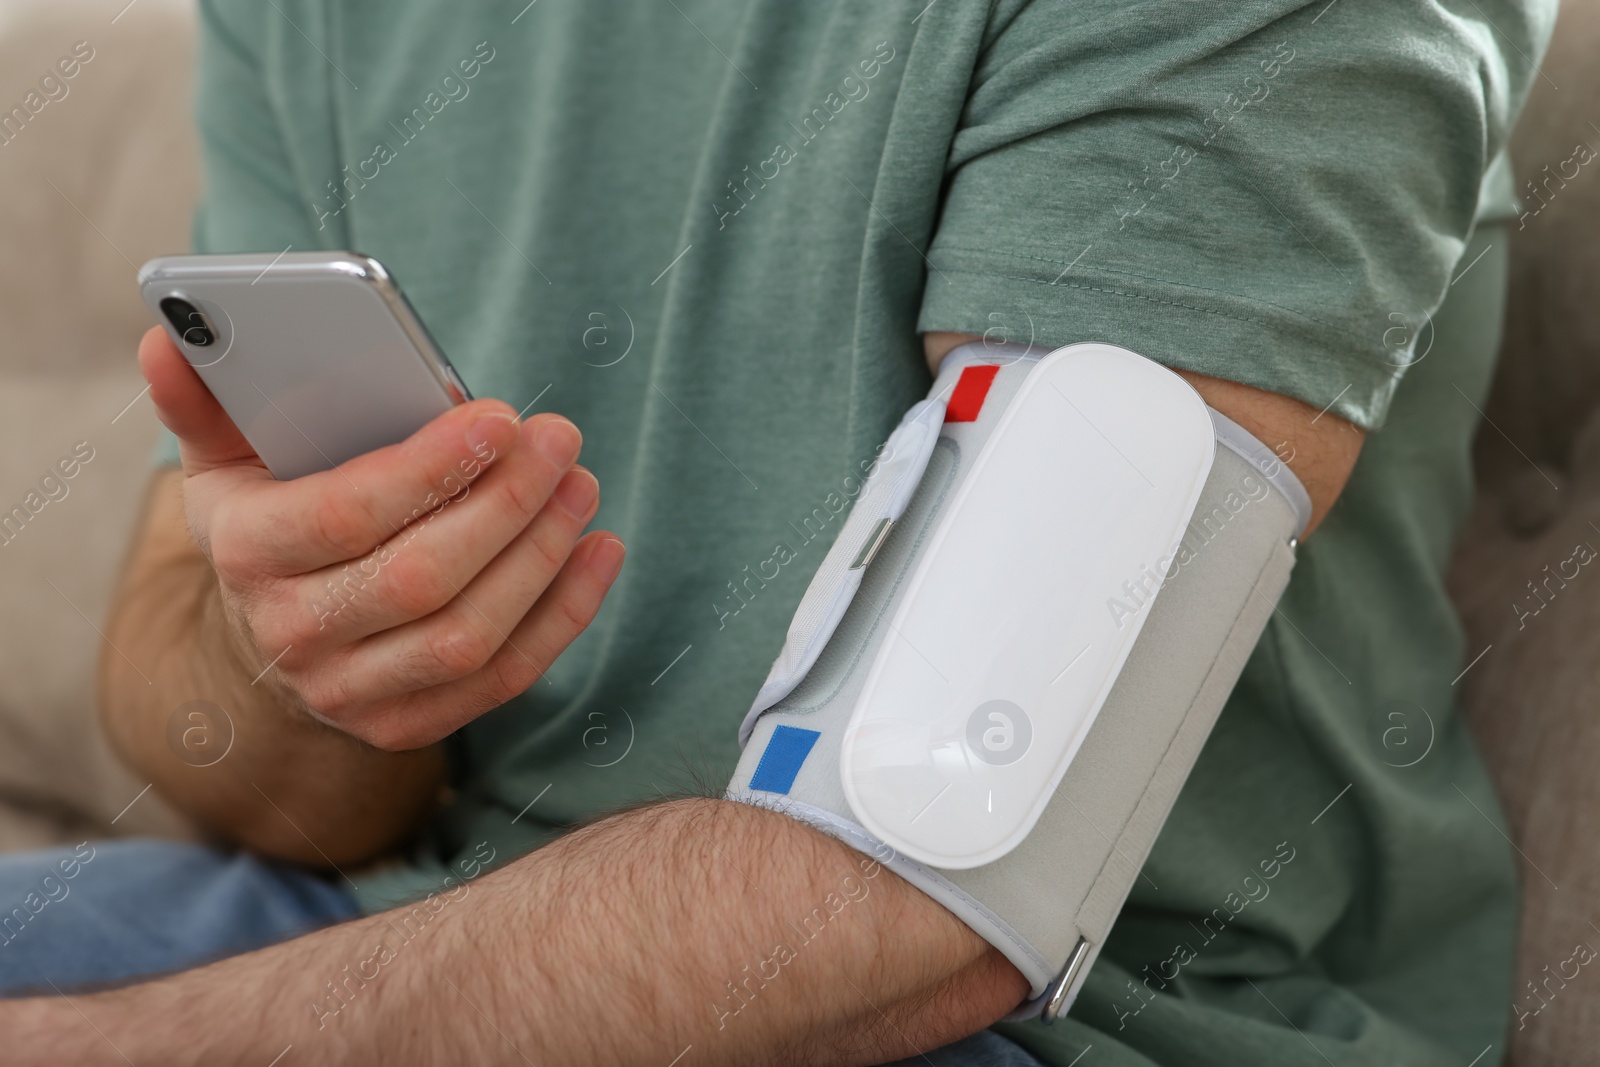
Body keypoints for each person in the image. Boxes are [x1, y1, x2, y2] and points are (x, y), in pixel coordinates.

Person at [0, 0, 1554, 1063]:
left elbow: (936, 873)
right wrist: (312, 651)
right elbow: (202, 705)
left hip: (1066, 1022)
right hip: (415, 914)